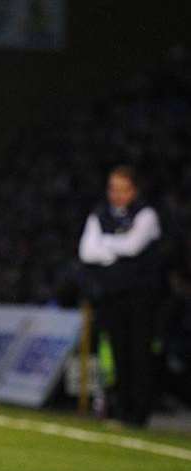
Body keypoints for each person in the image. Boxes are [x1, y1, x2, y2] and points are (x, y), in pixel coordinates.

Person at [79, 165, 163, 426]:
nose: (117, 194)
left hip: (142, 296)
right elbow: (86, 252)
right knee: (117, 352)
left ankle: (139, 415)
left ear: (134, 190)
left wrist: (104, 243)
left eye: (123, 189)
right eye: (113, 188)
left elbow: (133, 246)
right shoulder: (99, 214)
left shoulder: (146, 214)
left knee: (140, 352)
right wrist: (115, 248)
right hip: (112, 295)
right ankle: (121, 409)